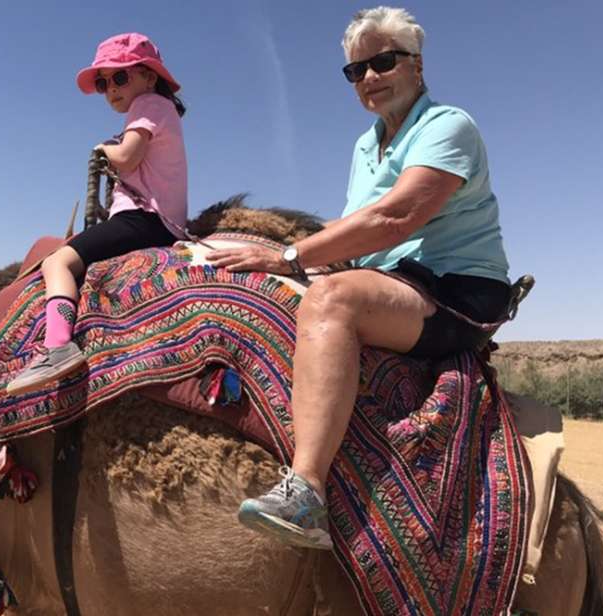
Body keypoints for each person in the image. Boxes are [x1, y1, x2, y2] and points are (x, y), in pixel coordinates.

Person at [207, 6, 512, 549]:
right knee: (276, 292)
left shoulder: (448, 126)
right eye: (356, 71)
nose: (370, 78)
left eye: (383, 62)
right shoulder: (365, 146)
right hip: (396, 281)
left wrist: (291, 255)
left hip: (454, 291)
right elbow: (352, 227)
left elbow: (394, 218)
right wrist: (279, 254)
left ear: (416, 65)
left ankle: (305, 491)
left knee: (331, 302)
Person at [7, 32, 189, 395]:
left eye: (120, 77)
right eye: (104, 83)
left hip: (142, 220)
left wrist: (106, 149)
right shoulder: (158, 110)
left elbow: (128, 158)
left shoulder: (149, 105)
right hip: (155, 221)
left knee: (56, 264)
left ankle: (57, 346)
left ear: (149, 77)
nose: (111, 89)